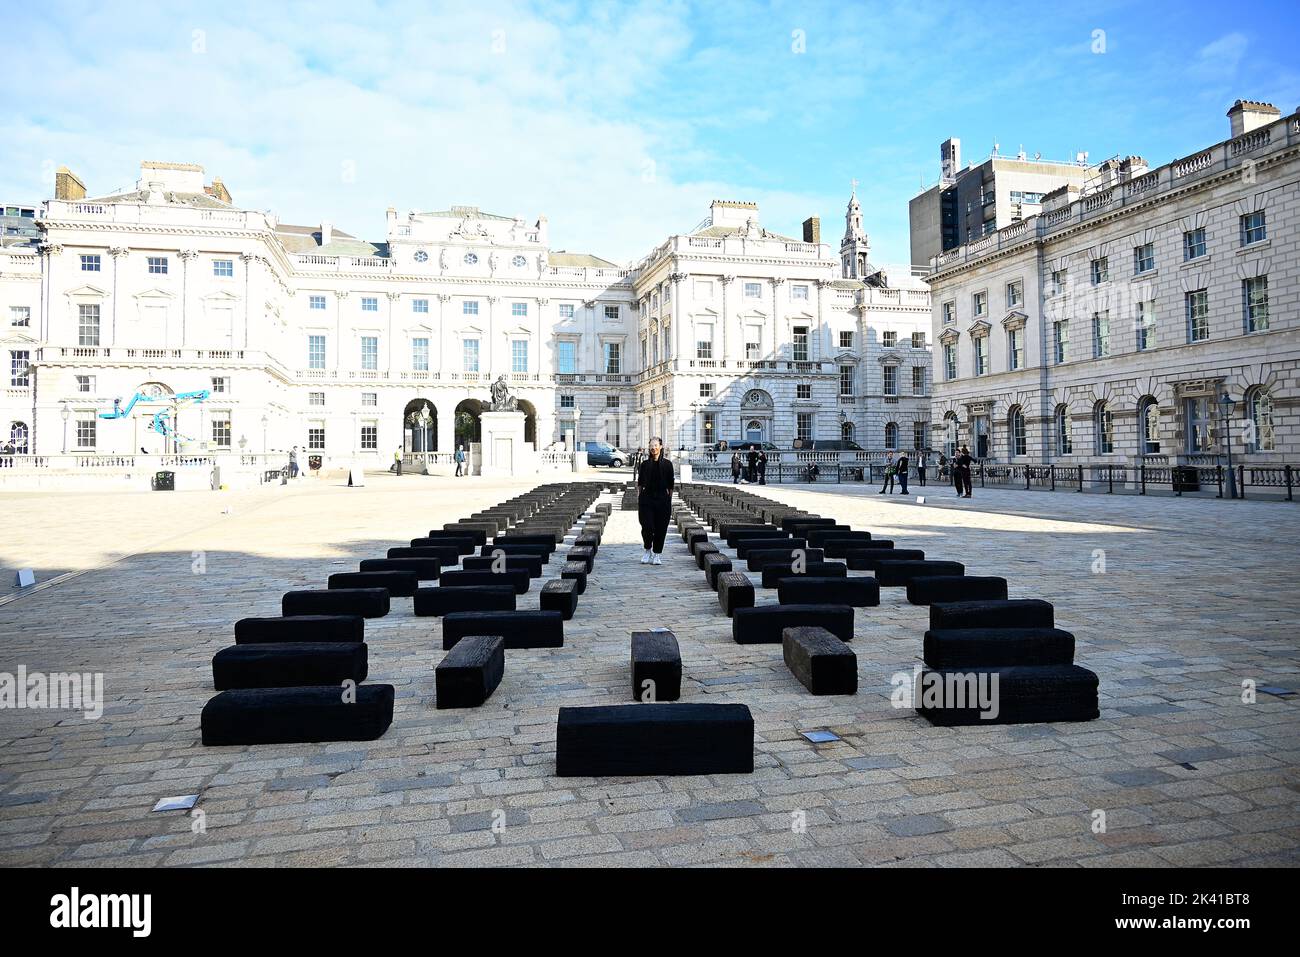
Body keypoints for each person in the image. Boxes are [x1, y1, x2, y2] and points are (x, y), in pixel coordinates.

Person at [636, 437, 674, 566]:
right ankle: (648, 549)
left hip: (663, 499)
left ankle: (657, 553)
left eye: (656, 445)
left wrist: (669, 500)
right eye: (651, 446)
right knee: (647, 526)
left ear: (661, 447)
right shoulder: (644, 465)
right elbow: (640, 483)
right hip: (647, 498)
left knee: (661, 528)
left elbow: (671, 485)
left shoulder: (668, 464)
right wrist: (639, 497)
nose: (653, 448)